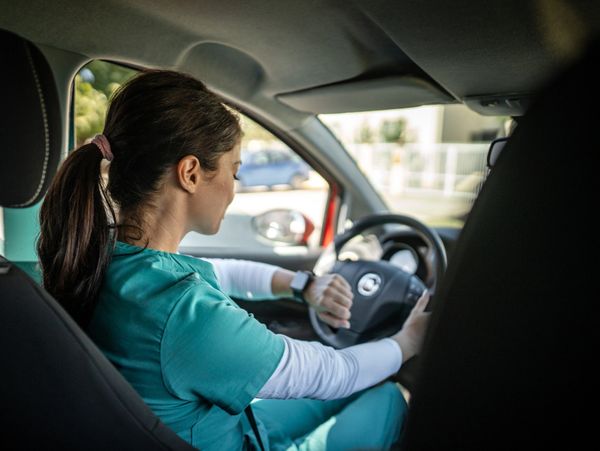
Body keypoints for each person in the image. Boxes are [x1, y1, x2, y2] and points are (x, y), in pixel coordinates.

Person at [37, 70, 430, 451]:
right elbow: (329, 373)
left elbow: (226, 274)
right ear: (190, 173)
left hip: (231, 427)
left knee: (367, 383)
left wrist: (303, 285)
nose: (233, 191)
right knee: (388, 398)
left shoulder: (103, 258)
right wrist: (408, 340)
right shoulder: (184, 313)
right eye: (234, 173)